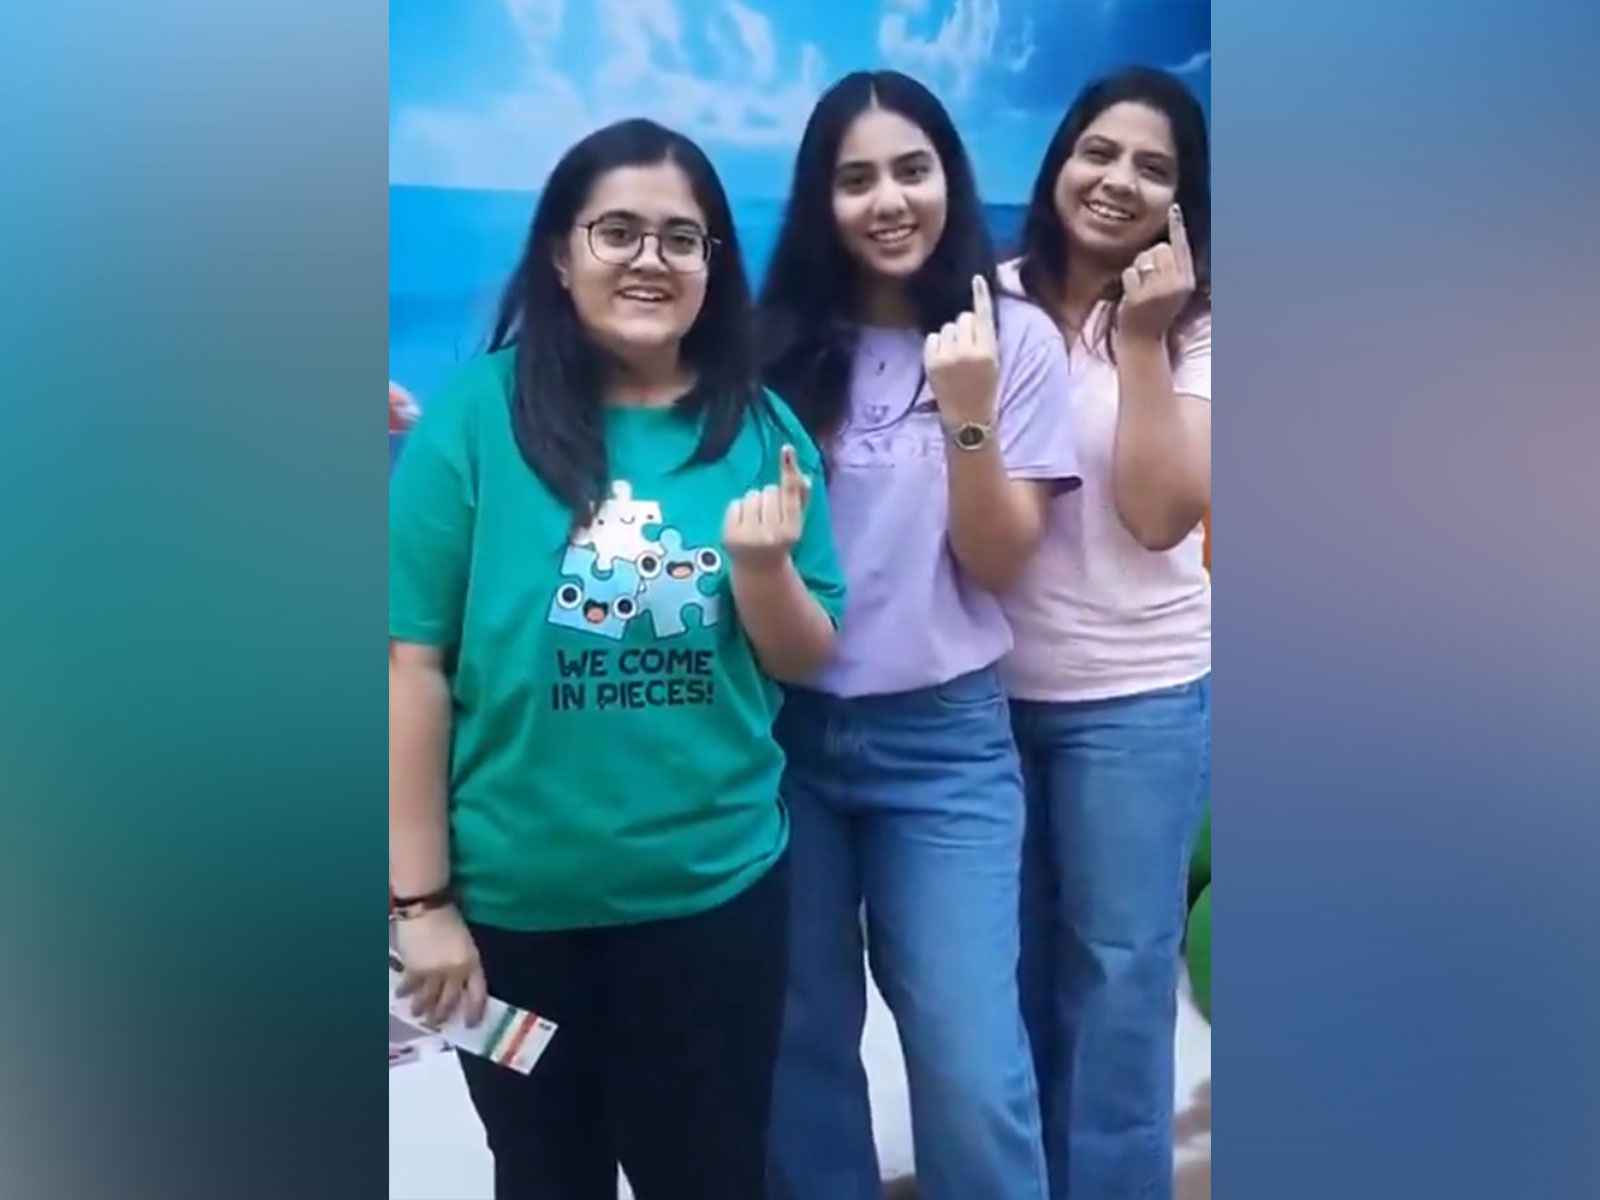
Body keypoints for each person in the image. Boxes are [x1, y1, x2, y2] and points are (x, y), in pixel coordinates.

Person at [388, 117, 846, 1200]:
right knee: (543, 1169)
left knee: (710, 1171)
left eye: (683, 238)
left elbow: (801, 656)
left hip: (712, 907)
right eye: (618, 231)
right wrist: (421, 907)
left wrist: (763, 569)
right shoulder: (471, 422)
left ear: (713, 265)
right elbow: (413, 668)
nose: (652, 258)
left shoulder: (760, 425)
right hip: (511, 924)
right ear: (559, 250)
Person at [757, 71, 1081, 1200]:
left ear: (951, 179)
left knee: (968, 1059)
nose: (887, 199)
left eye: (911, 169)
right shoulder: (769, 347)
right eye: (855, 179)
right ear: (819, 200)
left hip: (945, 748)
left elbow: (998, 564)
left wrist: (971, 409)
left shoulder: (1014, 341)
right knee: (798, 1048)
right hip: (779, 742)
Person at [998, 65, 1213, 1200]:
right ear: (1058, 160)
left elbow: (1160, 511)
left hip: (1137, 699)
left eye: (1152, 166)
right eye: (1098, 150)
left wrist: (1141, 341)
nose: (1116, 180)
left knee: (1121, 984)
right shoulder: (982, 300)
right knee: (1009, 986)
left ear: (1184, 199)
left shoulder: (1207, 328)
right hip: (979, 704)